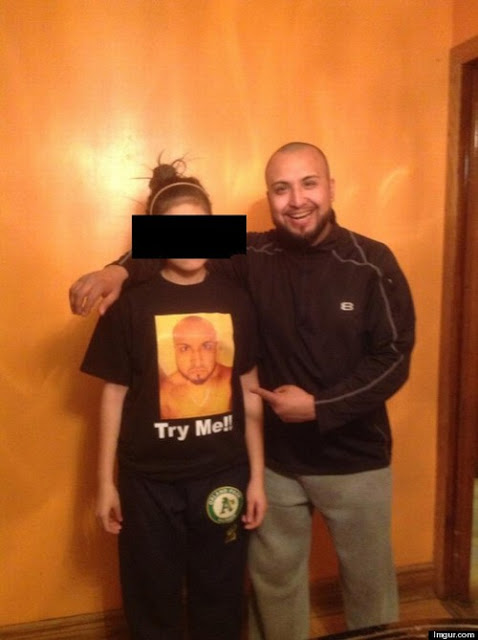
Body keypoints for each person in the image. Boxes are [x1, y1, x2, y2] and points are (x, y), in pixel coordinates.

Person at [71, 143, 415, 639]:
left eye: (309, 183)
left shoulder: (372, 261)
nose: (296, 200)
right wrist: (117, 270)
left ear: (331, 187)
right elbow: (171, 239)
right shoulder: (254, 251)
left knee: (370, 589)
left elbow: (395, 357)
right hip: (275, 464)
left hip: (355, 459)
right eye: (281, 188)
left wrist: (319, 407)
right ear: (270, 197)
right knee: (274, 586)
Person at [80, 158, 266, 640]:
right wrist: (105, 482)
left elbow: (249, 391)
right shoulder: (129, 305)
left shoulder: (237, 298)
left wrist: (257, 477)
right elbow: (113, 395)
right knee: (151, 597)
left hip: (223, 475)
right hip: (147, 483)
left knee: (220, 595)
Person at [160, 314, 232, 419]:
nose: (197, 362)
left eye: (206, 346)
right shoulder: (164, 395)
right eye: (185, 348)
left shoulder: (232, 380)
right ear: (174, 351)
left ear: (216, 348)